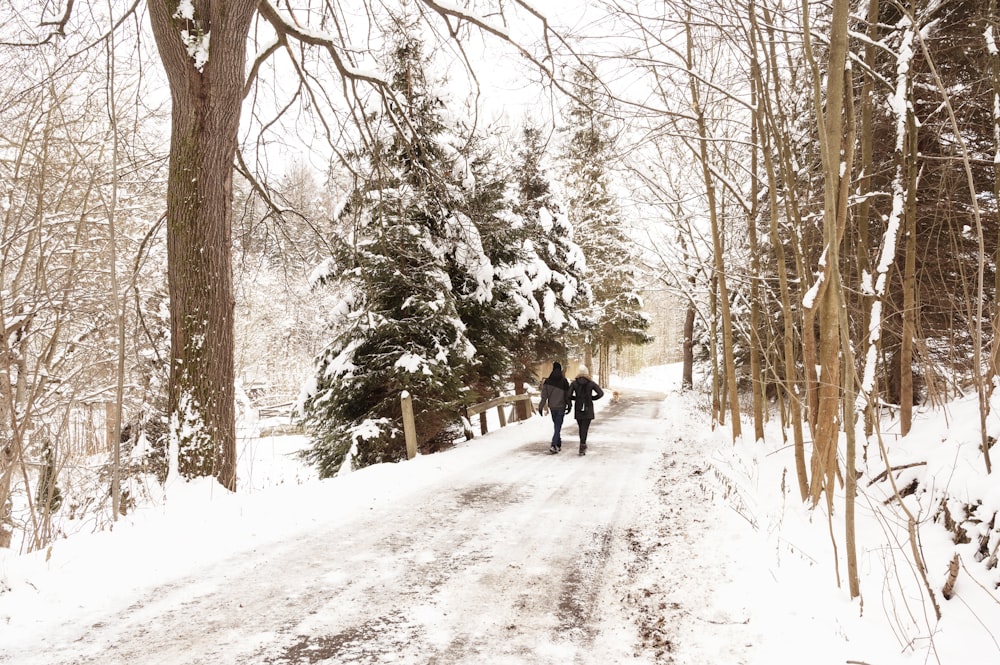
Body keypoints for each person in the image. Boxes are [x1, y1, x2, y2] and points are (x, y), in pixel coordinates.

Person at [567, 365, 604, 456]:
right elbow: (601, 393)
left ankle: (582, 444)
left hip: (579, 408)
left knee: (581, 427)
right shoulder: (591, 383)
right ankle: (582, 445)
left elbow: (568, 395)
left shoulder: (574, 383)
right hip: (588, 407)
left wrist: (575, 398)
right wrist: (592, 398)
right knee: (585, 427)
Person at [537, 361, 570, 453]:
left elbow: (544, 396)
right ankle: (554, 444)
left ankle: (557, 444)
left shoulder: (547, 381)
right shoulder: (564, 381)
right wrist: (570, 405)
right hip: (561, 406)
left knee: (557, 426)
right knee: (557, 426)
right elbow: (567, 395)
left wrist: (541, 406)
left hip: (552, 407)